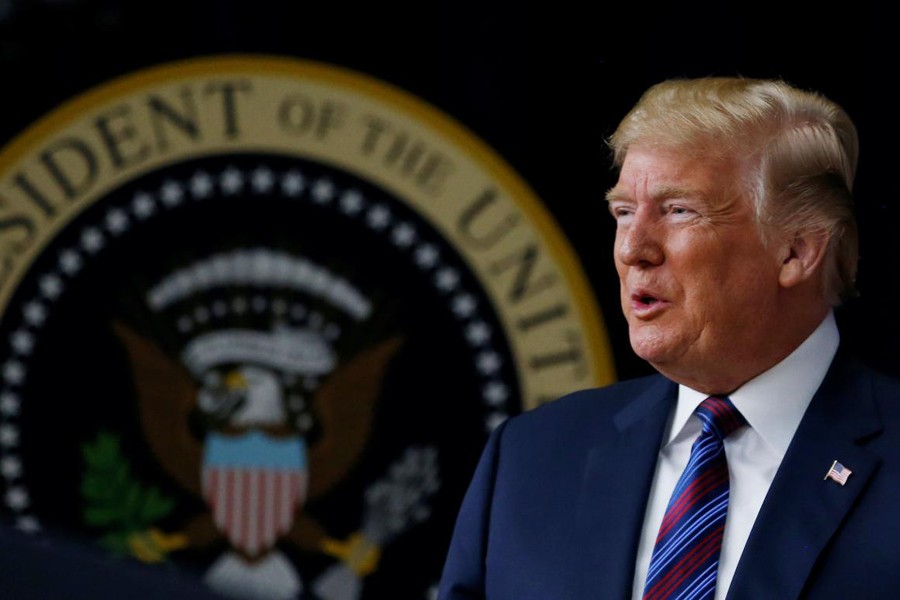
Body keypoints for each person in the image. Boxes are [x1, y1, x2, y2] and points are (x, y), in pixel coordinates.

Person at [437, 76, 900, 599]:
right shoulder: (529, 459)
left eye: (679, 210)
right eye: (623, 213)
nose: (633, 249)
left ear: (796, 251)